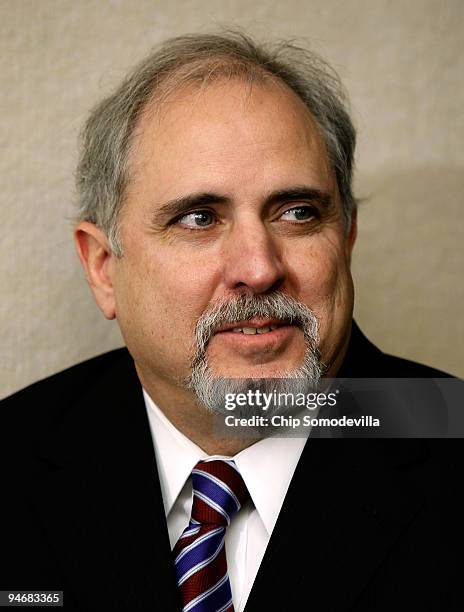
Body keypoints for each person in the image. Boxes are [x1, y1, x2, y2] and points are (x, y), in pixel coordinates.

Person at [1, 31, 462, 611]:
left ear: (345, 239)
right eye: (199, 218)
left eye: (298, 213)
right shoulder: (13, 458)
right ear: (103, 268)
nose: (259, 268)